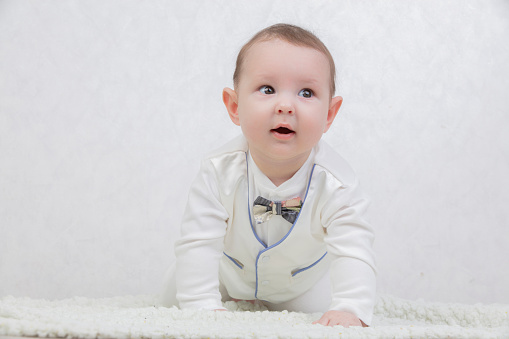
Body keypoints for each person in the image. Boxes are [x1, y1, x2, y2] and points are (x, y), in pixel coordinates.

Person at [161, 23, 376, 327]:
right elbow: (198, 242)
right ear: (234, 106)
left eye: (306, 92)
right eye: (267, 89)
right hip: (227, 273)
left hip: (300, 284)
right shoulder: (218, 171)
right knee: (174, 295)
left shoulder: (337, 184)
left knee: (330, 310)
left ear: (329, 114)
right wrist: (199, 305)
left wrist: (350, 307)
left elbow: (354, 247)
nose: (285, 105)